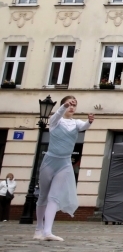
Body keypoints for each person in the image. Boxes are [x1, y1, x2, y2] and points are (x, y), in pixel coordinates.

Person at [34, 96, 93, 241]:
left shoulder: (76, 123)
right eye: (70, 105)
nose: (72, 107)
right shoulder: (56, 121)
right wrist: (64, 106)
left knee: (54, 197)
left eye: (74, 105)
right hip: (50, 161)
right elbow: (56, 116)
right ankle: (38, 229)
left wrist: (90, 121)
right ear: (63, 106)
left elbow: (84, 126)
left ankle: (47, 231)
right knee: (43, 196)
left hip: (65, 163)